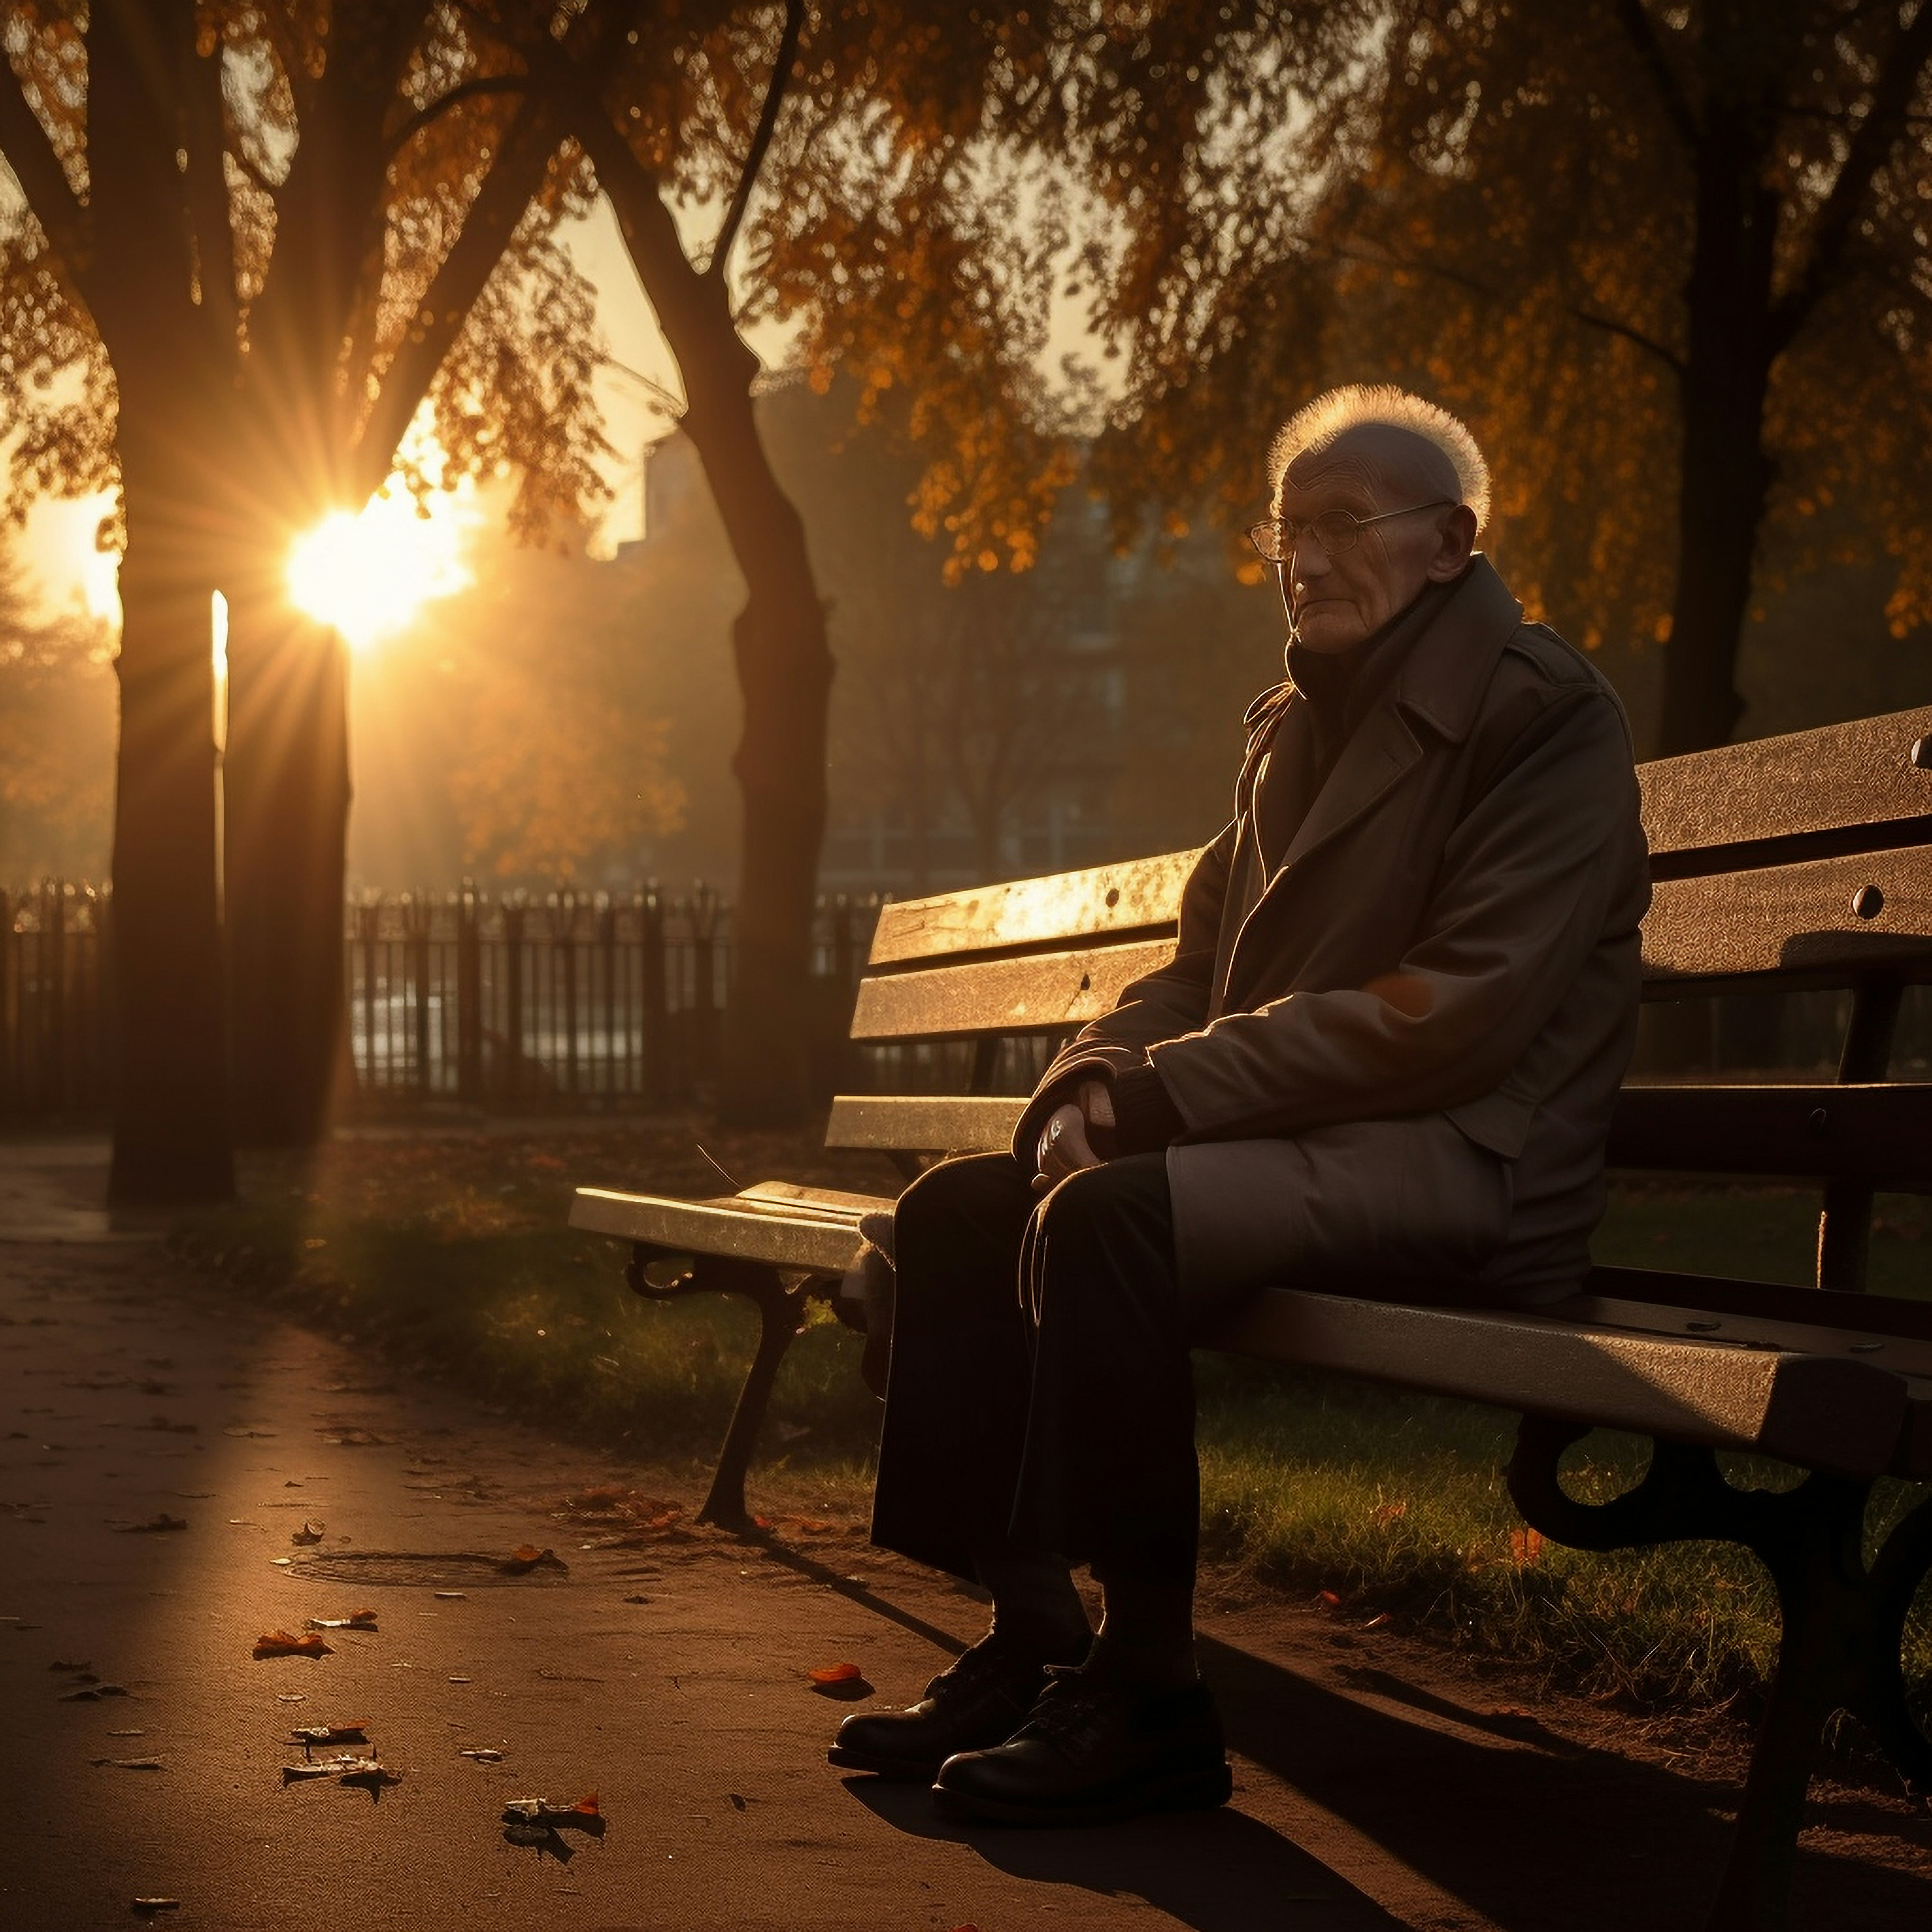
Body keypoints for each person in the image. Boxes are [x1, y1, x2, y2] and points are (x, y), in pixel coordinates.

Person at [829, 384, 1651, 1828]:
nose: (1310, 562)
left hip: (1471, 1159)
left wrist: (1154, 1102)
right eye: (1288, 537)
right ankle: (1038, 1634)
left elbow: (1460, 1015)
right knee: (961, 1209)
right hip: (1304, 1142)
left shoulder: (1544, 718)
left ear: (1453, 540)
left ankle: (1150, 1693)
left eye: (1347, 527)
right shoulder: (1288, 726)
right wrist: (1093, 1078)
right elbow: (1195, 966)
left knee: (1109, 1225)